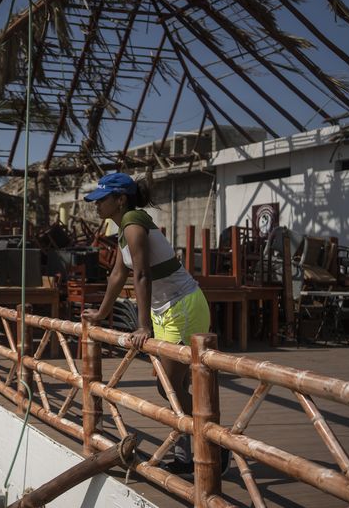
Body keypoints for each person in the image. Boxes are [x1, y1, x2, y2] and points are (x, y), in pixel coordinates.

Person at [81, 172, 228, 475]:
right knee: (172, 387)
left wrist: (143, 325)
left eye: (102, 200)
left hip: (181, 305)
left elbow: (142, 275)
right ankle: (192, 452)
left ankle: (216, 446)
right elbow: (118, 276)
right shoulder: (124, 226)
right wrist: (100, 314)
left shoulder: (134, 222)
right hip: (166, 310)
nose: (97, 206)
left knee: (169, 387)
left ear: (120, 199)